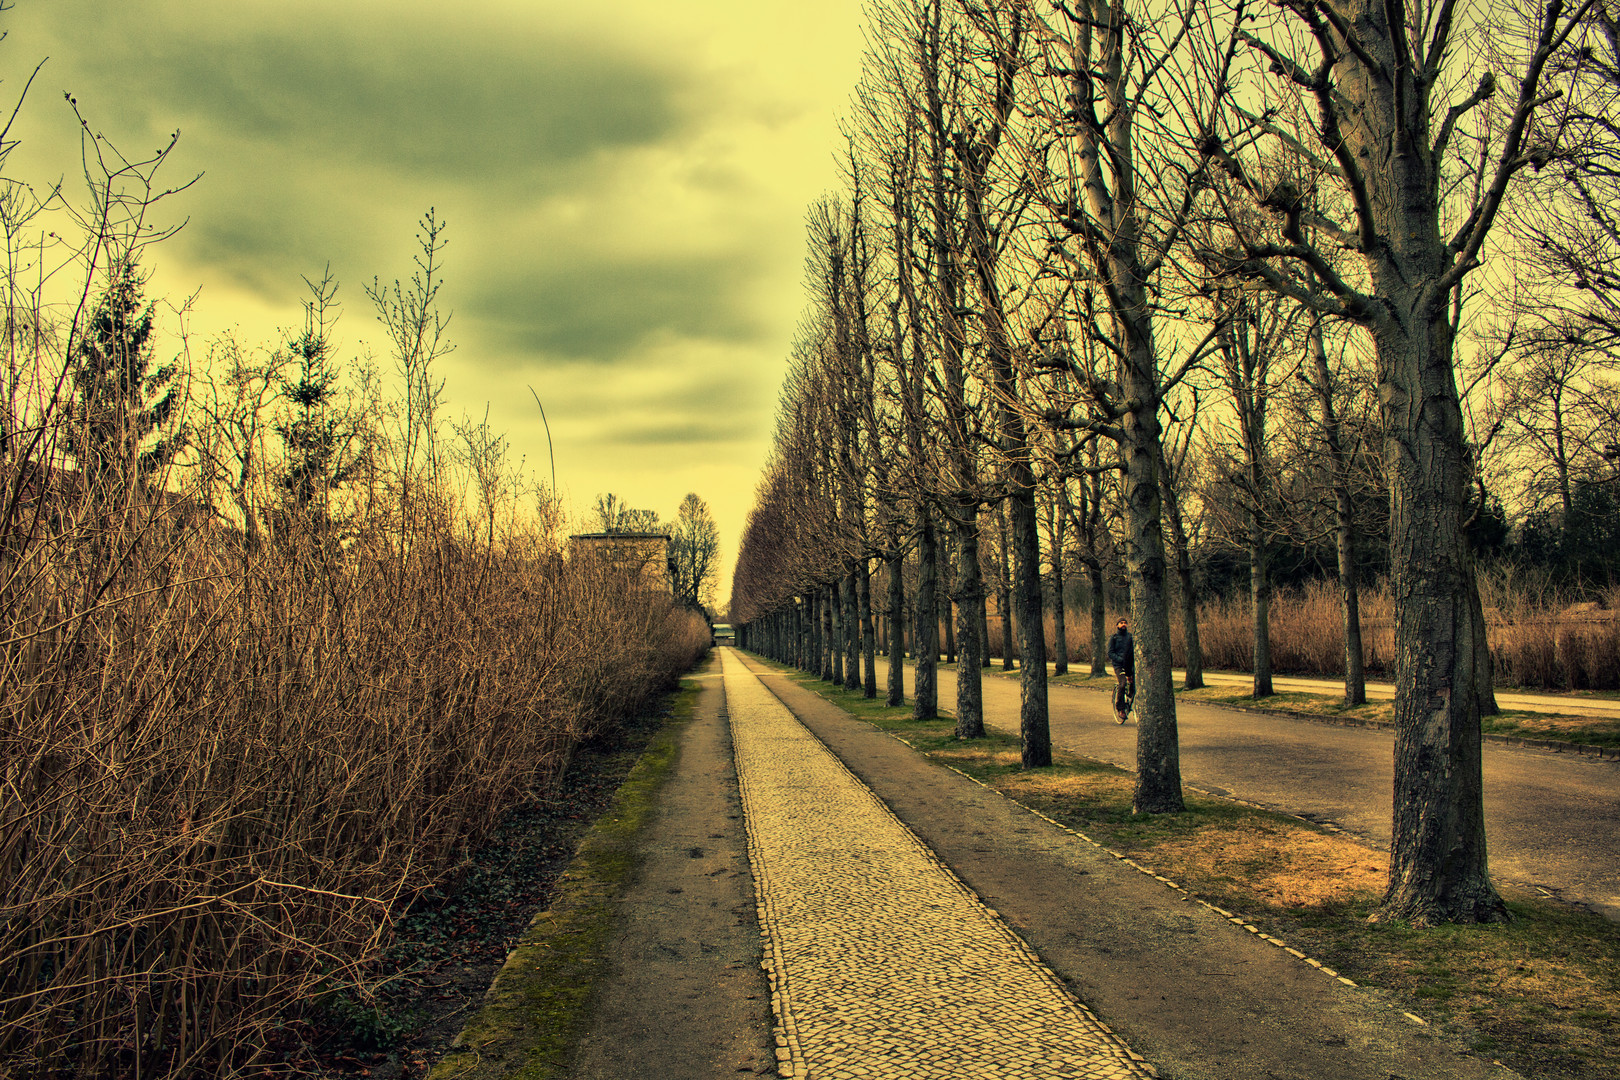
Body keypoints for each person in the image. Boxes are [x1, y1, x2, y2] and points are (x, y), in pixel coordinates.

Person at [1107, 617, 1134, 723]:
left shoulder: (1130, 637)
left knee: (1135, 682)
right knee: (1122, 684)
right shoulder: (1114, 638)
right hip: (1119, 665)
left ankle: (1131, 696)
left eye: (1125, 623)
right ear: (1117, 625)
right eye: (1121, 623)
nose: (1123, 624)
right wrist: (1120, 659)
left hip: (1130, 664)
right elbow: (1110, 653)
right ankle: (1120, 708)